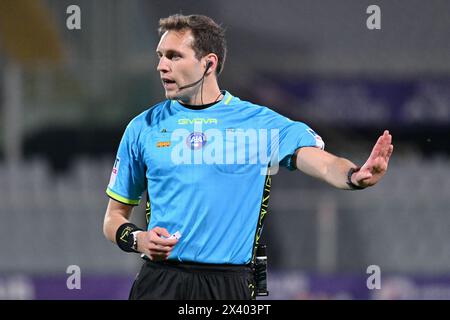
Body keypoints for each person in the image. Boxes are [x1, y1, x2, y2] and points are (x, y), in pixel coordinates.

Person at [103, 14, 394, 300]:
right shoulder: (143, 127)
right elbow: (113, 218)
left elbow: (323, 161)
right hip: (161, 281)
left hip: (230, 286)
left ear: (208, 63)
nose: (161, 66)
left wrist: (354, 176)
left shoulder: (258, 124)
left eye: (174, 56)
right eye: (160, 55)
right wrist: (139, 239)